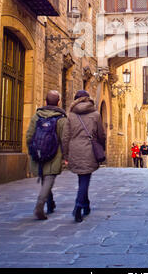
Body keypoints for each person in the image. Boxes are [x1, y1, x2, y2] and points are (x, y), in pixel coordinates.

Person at [62, 90, 106, 223]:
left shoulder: (70, 115)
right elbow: (101, 135)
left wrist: (65, 154)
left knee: (83, 178)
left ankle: (85, 205)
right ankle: (79, 205)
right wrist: (102, 148)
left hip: (75, 149)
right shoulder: (96, 114)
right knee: (85, 178)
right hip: (89, 150)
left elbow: (65, 137)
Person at [26, 90, 66, 220]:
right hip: (54, 154)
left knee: (45, 178)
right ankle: (40, 205)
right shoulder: (61, 119)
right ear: (58, 102)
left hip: (38, 153)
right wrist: (66, 156)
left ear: (45, 101)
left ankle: (50, 203)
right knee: (49, 179)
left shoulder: (37, 116)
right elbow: (64, 139)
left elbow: (29, 136)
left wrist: (33, 150)